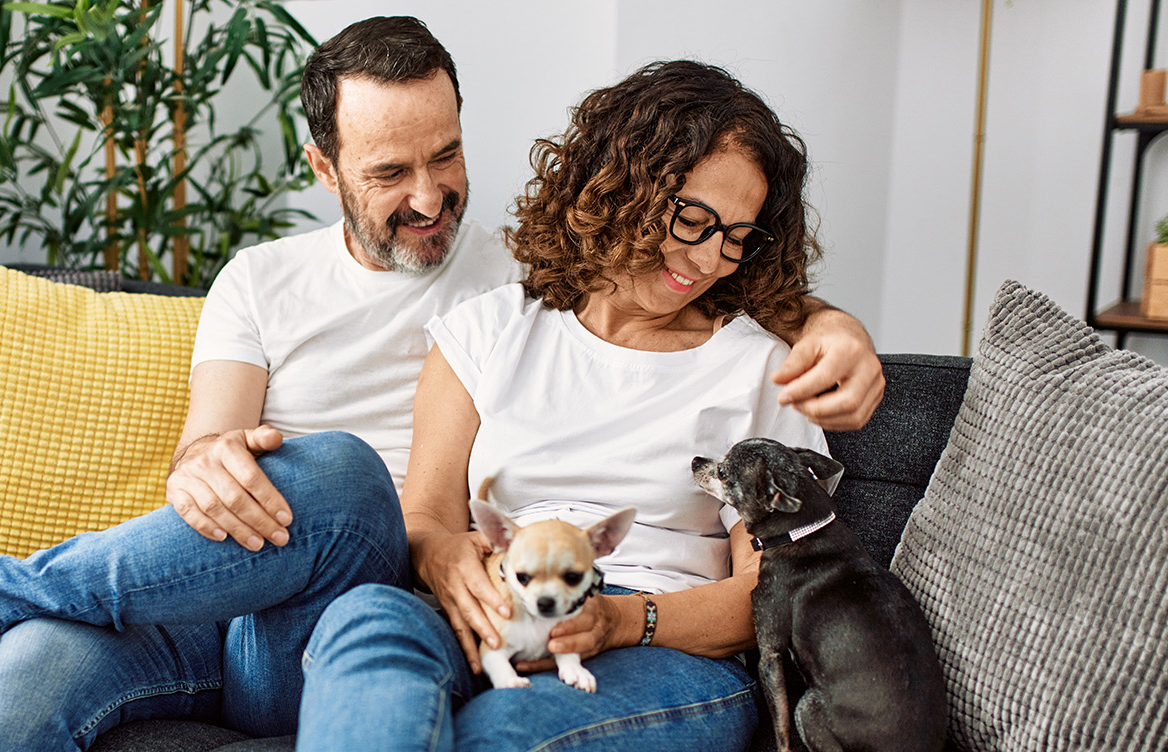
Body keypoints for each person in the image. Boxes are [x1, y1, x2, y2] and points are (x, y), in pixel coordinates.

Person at [0, 19, 883, 751]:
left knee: (355, 497)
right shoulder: (283, 285)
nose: (431, 195)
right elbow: (241, 460)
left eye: (450, 153)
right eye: (393, 169)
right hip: (291, 577)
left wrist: (826, 316)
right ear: (325, 165)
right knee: (54, 658)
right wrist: (214, 466)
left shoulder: (530, 274)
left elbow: (762, 560)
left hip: (484, 601)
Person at [295, 59, 840, 751]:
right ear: (618, 187)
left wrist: (617, 620)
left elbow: (775, 591)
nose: (708, 261)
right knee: (367, 619)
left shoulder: (763, 370)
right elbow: (427, 516)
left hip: (669, 657)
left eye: (737, 237)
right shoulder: (489, 330)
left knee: (503, 730)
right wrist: (445, 564)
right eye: (694, 219)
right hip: (497, 616)